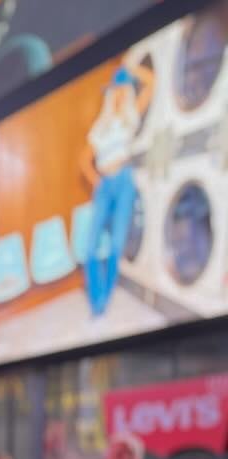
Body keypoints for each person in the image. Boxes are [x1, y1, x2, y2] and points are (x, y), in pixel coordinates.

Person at [79, 61, 155, 319]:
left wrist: (130, 68)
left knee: (116, 245)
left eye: (124, 89)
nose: (121, 94)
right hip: (105, 185)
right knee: (90, 248)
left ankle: (105, 300)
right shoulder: (99, 127)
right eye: (116, 89)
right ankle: (96, 301)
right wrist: (96, 180)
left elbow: (152, 82)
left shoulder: (132, 115)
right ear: (111, 94)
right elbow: (83, 159)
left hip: (124, 180)